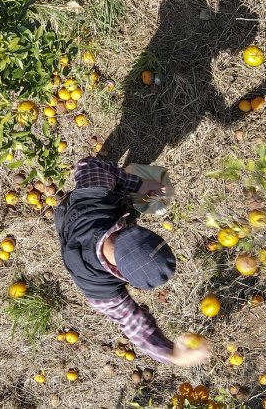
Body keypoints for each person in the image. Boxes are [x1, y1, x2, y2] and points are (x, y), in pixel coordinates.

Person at [55, 157, 212, 366]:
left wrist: (138, 184)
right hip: (71, 233)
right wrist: (172, 356)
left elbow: (88, 164)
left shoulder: (96, 191)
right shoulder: (99, 290)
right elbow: (133, 325)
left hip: (79, 214)